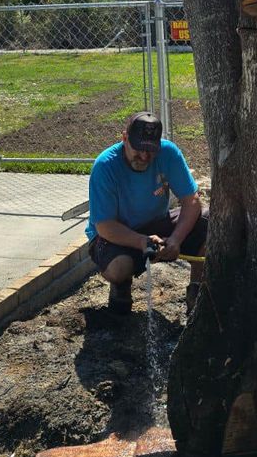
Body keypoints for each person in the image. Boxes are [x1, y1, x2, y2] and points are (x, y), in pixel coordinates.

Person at [86, 111, 207, 316]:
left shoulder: (168, 153)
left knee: (208, 221)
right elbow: (105, 226)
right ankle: (121, 290)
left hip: (156, 223)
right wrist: (142, 242)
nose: (144, 156)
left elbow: (191, 201)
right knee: (119, 267)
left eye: (150, 150)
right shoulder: (105, 166)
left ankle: (196, 291)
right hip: (115, 235)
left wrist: (176, 239)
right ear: (124, 138)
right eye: (138, 149)